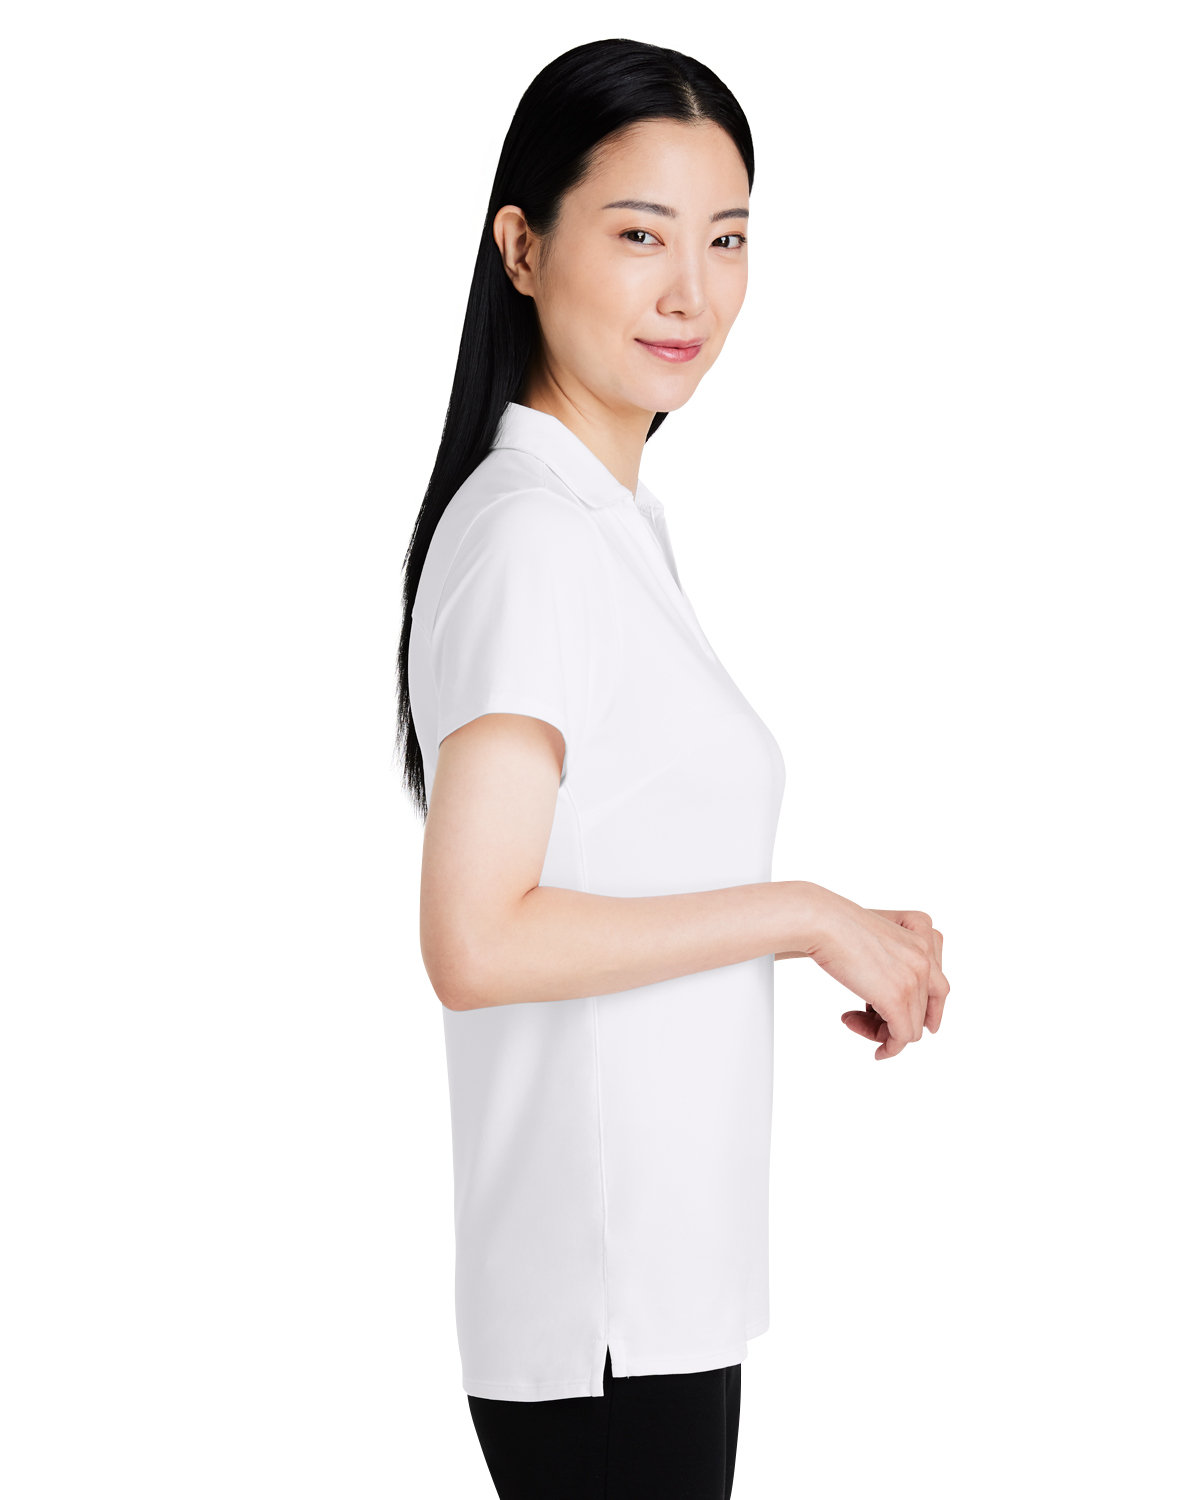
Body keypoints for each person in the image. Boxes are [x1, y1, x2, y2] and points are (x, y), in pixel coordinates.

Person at [395, 38, 950, 1500]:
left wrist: (841, 924)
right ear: (521, 248)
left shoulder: (608, 524)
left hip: (653, 1293)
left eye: (728, 239)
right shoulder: (534, 534)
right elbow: (476, 939)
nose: (691, 293)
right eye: (641, 235)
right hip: (602, 1311)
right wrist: (806, 915)